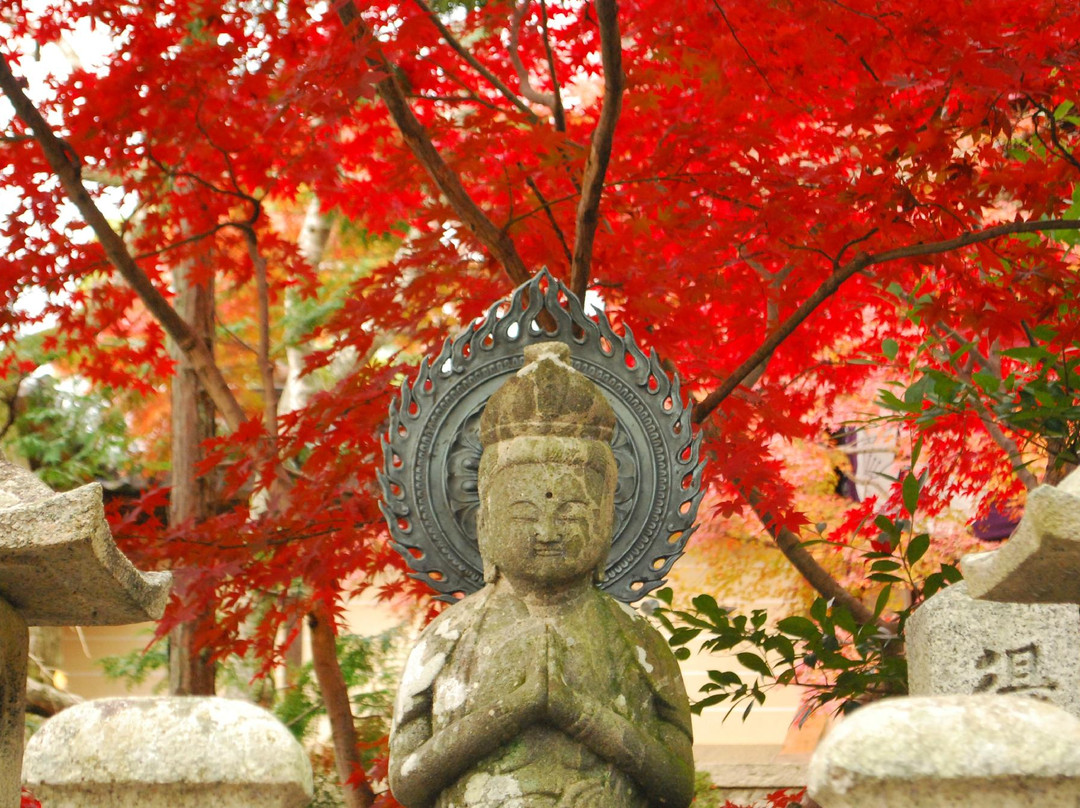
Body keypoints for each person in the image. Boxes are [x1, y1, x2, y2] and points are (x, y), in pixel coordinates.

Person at [389, 342, 695, 808]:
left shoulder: (635, 639)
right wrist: (514, 709)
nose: (547, 530)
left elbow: (676, 786)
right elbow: (408, 783)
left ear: (606, 522)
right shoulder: (448, 638)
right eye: (524, 513)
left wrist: (580, 715)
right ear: (485, 524)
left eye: (571, 513)